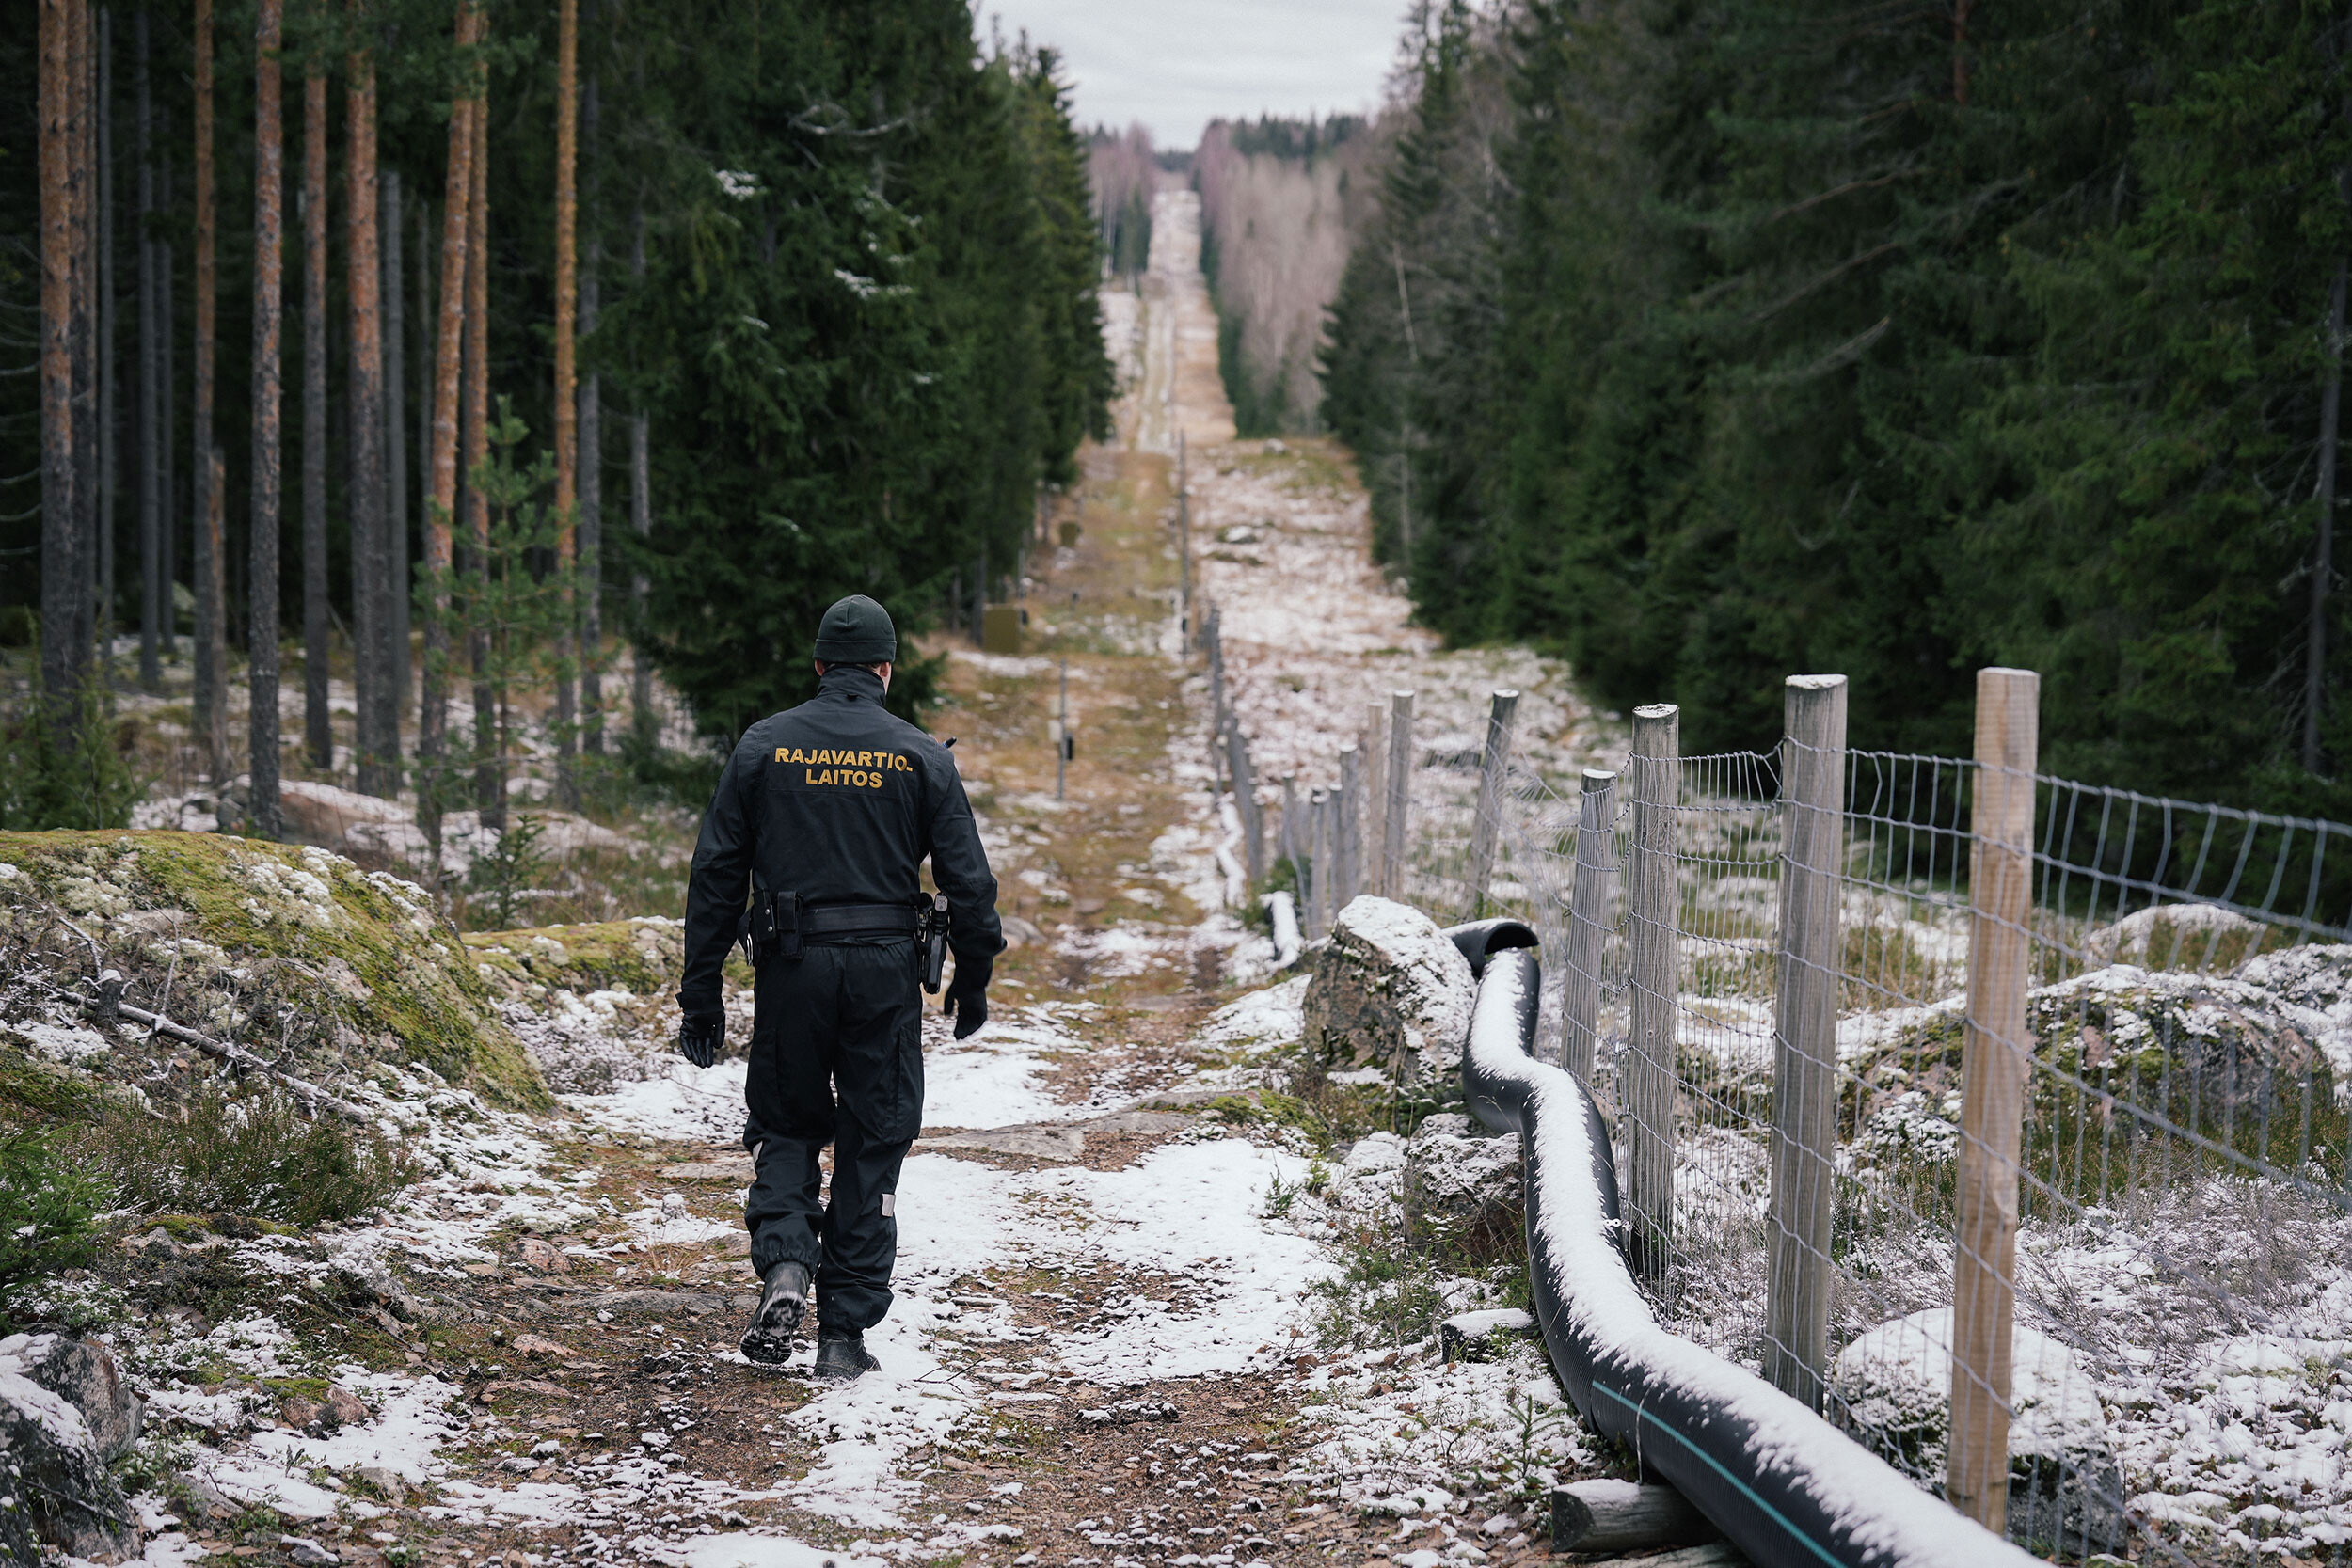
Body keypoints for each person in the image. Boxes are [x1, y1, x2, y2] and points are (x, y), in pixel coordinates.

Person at [675, 594, 1000, 1380]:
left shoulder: (764, 746)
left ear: (820, 665)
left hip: (791, 967)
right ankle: (843, 1334)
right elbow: (971, 886)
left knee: (786, 1123)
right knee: (872, 1138)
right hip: (885, 975)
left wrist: (702, 991)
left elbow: (716, 874)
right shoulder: (922, 755)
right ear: (886, 669)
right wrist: (973, 976)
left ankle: (786, 1263)